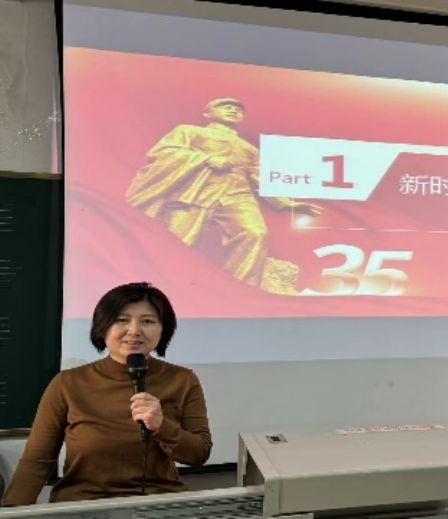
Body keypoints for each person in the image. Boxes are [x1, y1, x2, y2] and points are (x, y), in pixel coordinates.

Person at [1, 282, 211, 506]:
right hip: (84, 505)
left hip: (158, 505)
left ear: (163, 329)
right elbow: (37, 460)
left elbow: (198, 454)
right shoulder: (68, 383)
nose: (134, 330)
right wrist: (12, 512)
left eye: (148, 321)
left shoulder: (182, 380)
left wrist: (162, 426)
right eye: (122, 320)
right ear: (103, 327)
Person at [125, 99, 322, 295]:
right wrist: (206, 159)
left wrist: (286, 203)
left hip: (237, 195)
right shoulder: (190, 131)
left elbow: (261, 178)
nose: (233, 110)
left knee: (255, 233)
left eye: (238, 109)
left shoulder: (249, 149)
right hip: (196, 192)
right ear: (208, 113)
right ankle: (166, 288)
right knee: (181, 241)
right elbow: (162, 152)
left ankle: (239, 290)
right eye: (225, 107)